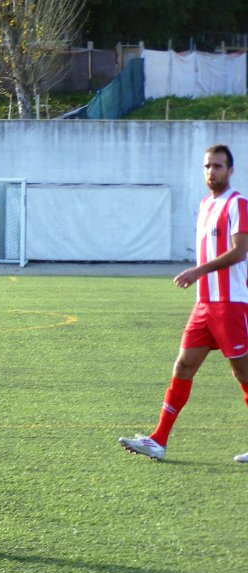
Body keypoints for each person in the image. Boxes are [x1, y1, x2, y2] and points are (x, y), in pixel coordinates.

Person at [120, 144, 248, 464]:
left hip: (231, 303)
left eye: (218, 166)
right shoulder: (205, 204)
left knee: (243, 374)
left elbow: (239, 252)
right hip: (204, 304)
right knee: (184, 366)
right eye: (207, 166)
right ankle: (158, 440)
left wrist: (198, 271)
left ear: (230, 170)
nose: (211, 171)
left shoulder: (238, 203)